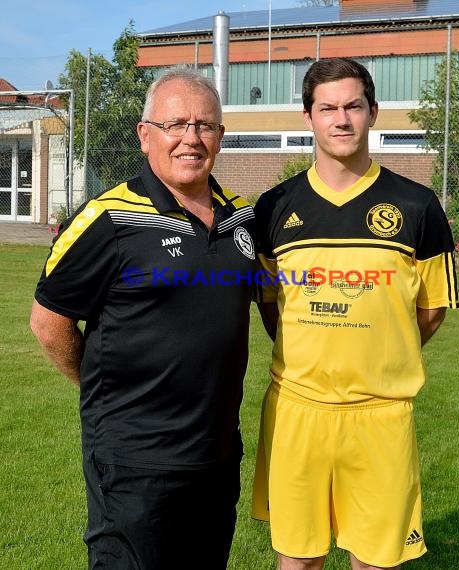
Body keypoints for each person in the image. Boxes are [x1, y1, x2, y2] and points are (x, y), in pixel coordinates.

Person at [30, 67, 256, 570]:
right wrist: (101, 389)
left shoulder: (243, 217)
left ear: (220, 136)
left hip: (216, 454)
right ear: (145, 134)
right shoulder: (106, 219)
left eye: (204, 125)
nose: (190, 139)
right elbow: (48, 323)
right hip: (133, 459)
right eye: (175, 124)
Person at [251, 57, 459, 570]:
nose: (341, 119)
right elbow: (271, 306)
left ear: (372, 113)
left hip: (381, 416)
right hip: (297, 411)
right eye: (328, 108)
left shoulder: (416, 206)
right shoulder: (274, 207)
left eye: (353, 106)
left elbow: (431, 310)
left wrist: (381, 349)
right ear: (308, 118)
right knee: (297, 559)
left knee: (374, 561)